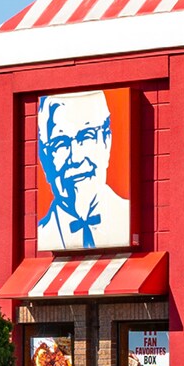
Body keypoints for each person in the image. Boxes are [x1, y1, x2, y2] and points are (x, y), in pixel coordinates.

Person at [36, 92, 129, 250]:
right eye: (60, 143)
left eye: (86, 136)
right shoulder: (44, 233)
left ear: (106, 142)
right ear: (44, 160)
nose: (76, 158)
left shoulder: (127, 216)